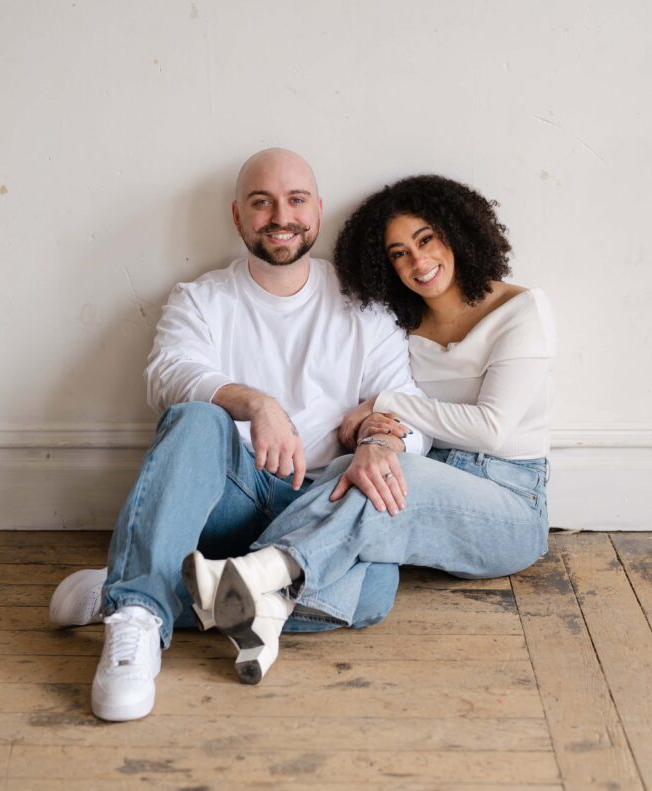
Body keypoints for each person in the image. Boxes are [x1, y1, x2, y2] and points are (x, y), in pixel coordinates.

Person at [48, 148, 431, 722]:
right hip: (229, 497)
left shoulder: (364, 305)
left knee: (375, 590)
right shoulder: (202, 299)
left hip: (317, 505)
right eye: (262, 202)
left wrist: (380, 441)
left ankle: (132, 584)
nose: (282, 215)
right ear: (237, 217)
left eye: (296, 200)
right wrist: (253, 402)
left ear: (318, 211)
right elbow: (166, 377)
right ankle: (134, 625)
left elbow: (411, 412)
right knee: (197, 416)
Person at [185, 174, 555, 684]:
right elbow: (396, 426)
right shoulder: (404, 323)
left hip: (511, 503)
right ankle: (265, 607)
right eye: (399, 253)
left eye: (426, 240)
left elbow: (490, 429)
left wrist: (385, 402)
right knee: (357, 475)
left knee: (386, 473)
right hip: (423, 482)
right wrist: (379, 428)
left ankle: (246, 574)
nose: (417, 262)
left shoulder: (520, 311)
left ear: (458, 233)